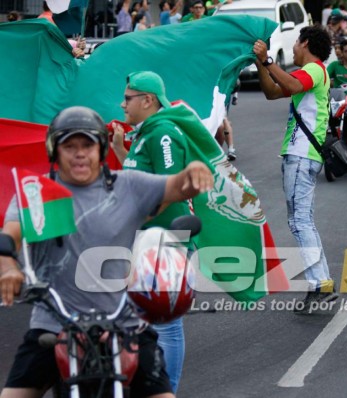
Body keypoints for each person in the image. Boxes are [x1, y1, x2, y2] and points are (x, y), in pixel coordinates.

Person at [0, 106, 213, 398]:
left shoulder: (127, 186)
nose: (79, 153)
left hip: (124, 323)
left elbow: (178, 186)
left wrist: (193, 171)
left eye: (87, 145)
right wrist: (9, 268)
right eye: (69, 146)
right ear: (54, 151)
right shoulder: (36, 193)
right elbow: (9, 237)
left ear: (100, 149)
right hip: (54, 323)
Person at [111, 71, 196, 392]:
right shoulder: (145, 134)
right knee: (143, 318)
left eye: (127, 98)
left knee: (168, 323)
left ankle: (166, 390)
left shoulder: (163, 133)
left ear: (147, 100)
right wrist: (121, 150)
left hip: (167, 238)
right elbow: (141, 180)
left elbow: (170, 187)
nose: (122, 105)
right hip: (149, 239)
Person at [252, 25, 338, 312]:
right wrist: (259, 63)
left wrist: (267, 60)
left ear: (305, 43)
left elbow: (289, 86)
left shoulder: (314, 70)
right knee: (303, 221)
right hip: (301, 154)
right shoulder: (311, 73)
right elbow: (272, 92)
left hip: (302, 154)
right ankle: (322, 283)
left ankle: (319, 285)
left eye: (296, 43)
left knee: (300, 222)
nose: (292, 49)